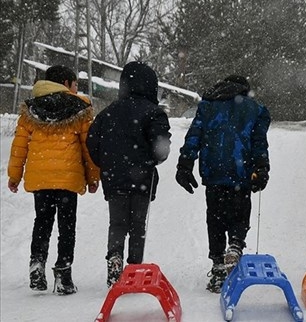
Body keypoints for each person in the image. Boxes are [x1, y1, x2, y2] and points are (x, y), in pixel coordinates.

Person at [7, 65, 100, 295]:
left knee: (43, 222)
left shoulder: (31, 109)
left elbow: (19, 145)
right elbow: (88, 147)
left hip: (41, 178)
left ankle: (37, 263)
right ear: (66, 84)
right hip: (68, 178)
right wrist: (93, 176)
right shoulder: (79, 107)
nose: (77, 88)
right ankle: (63, 275)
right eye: (75, 83)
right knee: (67, 227)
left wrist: (14, 175)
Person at [175, 75, 270, 293]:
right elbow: (259, 143)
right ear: (245, 90)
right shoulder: (255, 109)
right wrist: (261, 168)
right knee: (240, 212)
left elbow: (194, 136)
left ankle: (218, 267)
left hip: (214, 171)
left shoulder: (208, 106)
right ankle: (235, 245)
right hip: (242, 171)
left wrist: (185, 164)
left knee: (215, 217)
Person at [86, 61, 171, 287]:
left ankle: (114, 258)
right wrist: (153, 160)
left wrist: (105, 163)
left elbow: (92, 142)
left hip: (114, 178)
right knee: (137, 225)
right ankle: (134, 268)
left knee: (117, 223)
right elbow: (161, 149)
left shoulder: (108, 113)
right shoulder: (154, 113)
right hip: (142, 178)